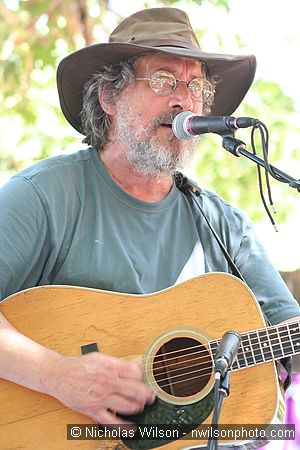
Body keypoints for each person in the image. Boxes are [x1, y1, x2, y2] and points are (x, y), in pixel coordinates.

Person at [0, 5, 299, 439]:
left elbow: (287, 336)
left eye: (195, 84)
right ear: (109, 98)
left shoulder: (224, 225)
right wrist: (59, 375)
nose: (184, 98)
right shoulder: (45, 195)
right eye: (163, 80)